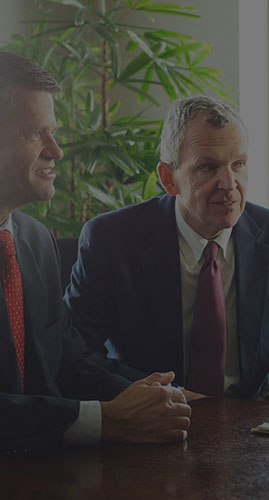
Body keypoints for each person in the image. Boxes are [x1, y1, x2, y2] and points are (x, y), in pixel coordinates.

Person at [64, 96, 269, 402]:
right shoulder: (113, 239)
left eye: (238, 164)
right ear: (169, 179)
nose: (229, 184)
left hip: (251, 428)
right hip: (149, 421)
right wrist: (163, 394)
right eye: (208, 167)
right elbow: (75, 355)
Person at [0, 52, 191, 451]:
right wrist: (104, 420)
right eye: (35, 133)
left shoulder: (35, 241)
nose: (56, 150)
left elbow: (67, 362)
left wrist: (150, 397)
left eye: (53, 132)